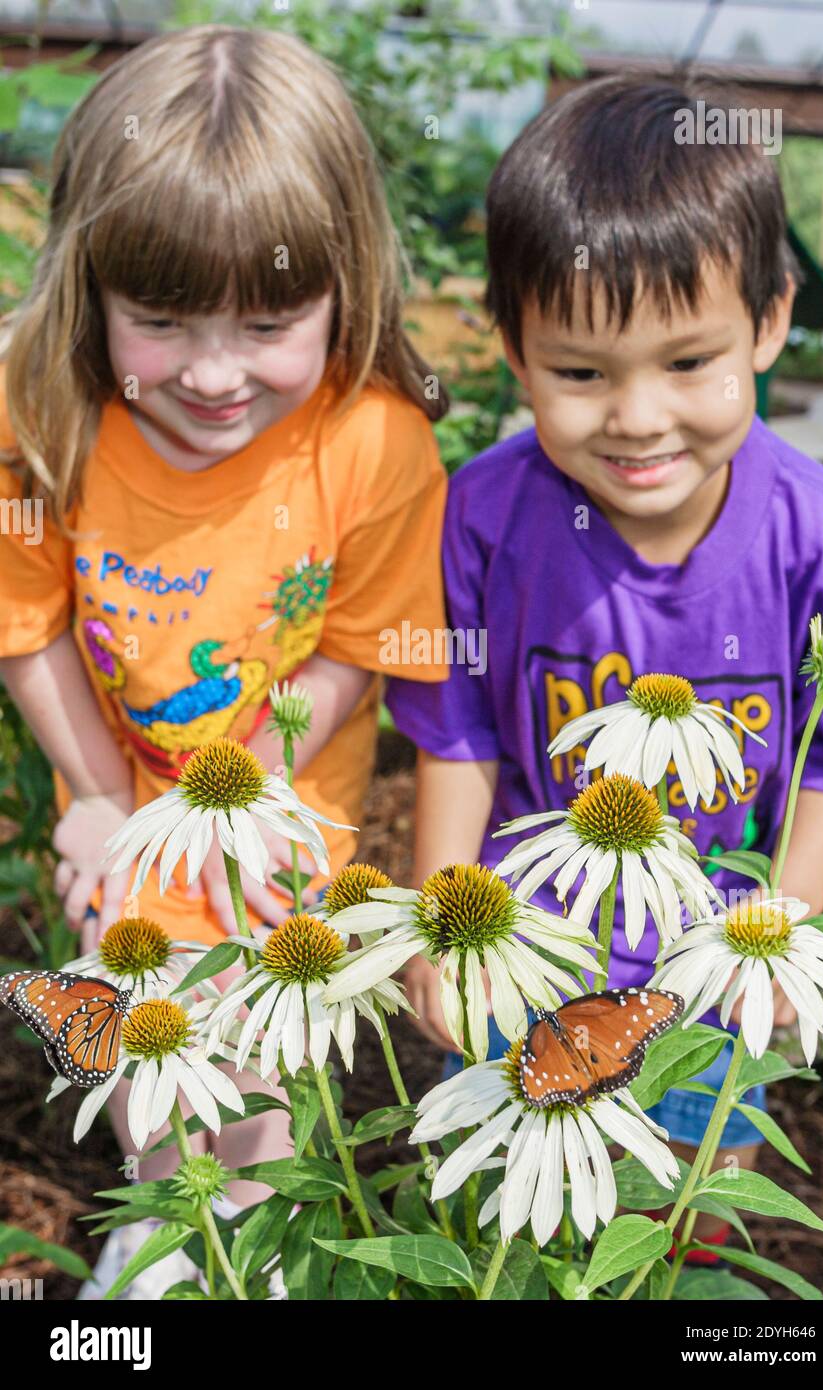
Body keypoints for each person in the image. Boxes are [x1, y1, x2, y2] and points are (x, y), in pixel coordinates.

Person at [385, 75, 823, 1260]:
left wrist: (780, 941)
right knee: (512, 1219)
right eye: (582, 373)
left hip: (712, 970)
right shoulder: (483, 515)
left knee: (684, 1225)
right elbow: (456, 730)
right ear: (511, 350)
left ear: (767, 321)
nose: (639, 419)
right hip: (533, 953)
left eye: (689, 361)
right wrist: (450, 937)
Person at [0, 24, 448, 1295]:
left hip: (277, 830)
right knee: (147, 1069)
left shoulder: (371, 441)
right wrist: (98, 802)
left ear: (345, 280)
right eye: (159, 320)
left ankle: (227, 1264)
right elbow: (25, 623)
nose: (210, 373)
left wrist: (226, 811)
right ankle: (161, 1248)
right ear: (89, 286)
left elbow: (357, 651)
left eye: (267, 322)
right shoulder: (40, 412)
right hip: (123, 806)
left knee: (252, 1099)